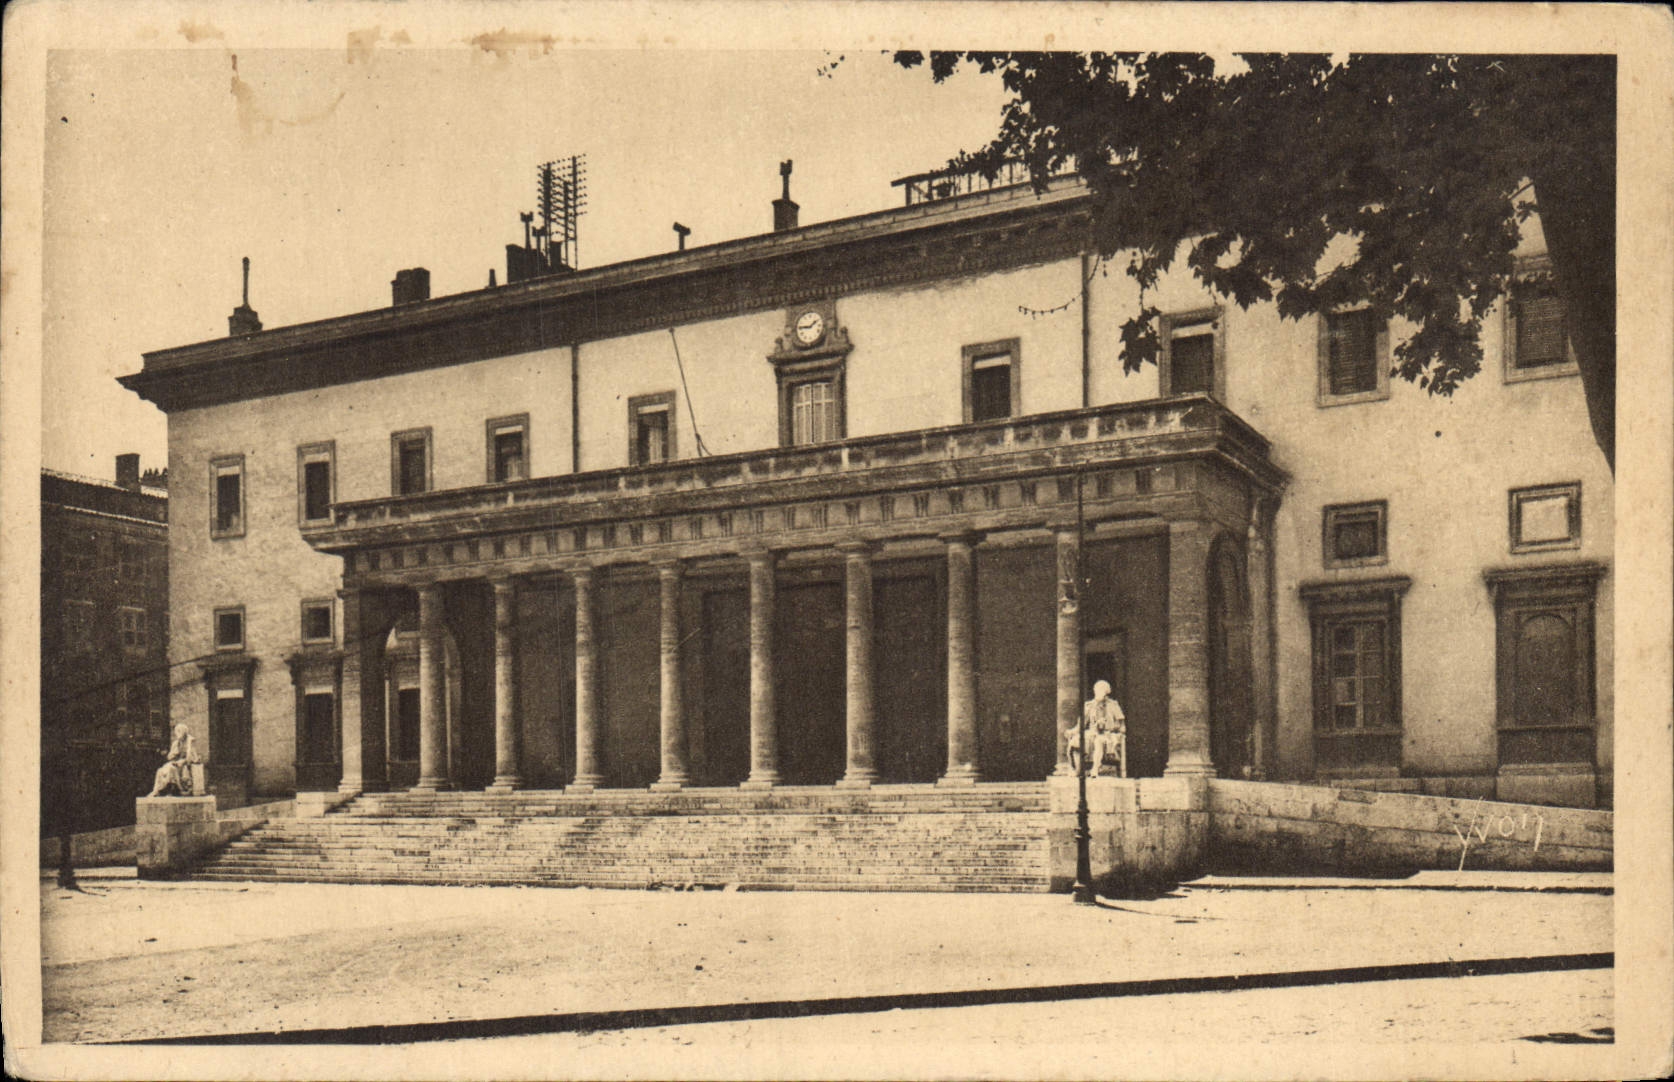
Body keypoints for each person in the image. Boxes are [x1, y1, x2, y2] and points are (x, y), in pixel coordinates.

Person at [1084, 680, 1126, 778]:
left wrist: (1113, 728)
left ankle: (1095, 768)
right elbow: (1081, 724)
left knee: (1099, 741)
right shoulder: (1089, 705)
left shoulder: (1113, 705)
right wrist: (1072, 731)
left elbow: (1122, 725)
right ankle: (1076, 769)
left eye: (1101, 690)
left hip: (1108, 734)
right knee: (1077, 740)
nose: (1098, 692)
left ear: (1106, 692)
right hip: (1092, 733)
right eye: (1097, 689)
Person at [147, 724, 200, 797]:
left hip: (185, 765)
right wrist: (173, 754)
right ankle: (156, 790)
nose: (177, 733)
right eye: (177, 731)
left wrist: (184, 760)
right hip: (175, 763)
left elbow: (194, 758)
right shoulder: (176, 743)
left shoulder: (190, 743)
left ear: (184, 732)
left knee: (171, 769)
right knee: (160, 771)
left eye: (179, 731)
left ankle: (172, 790)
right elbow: (169, 757)